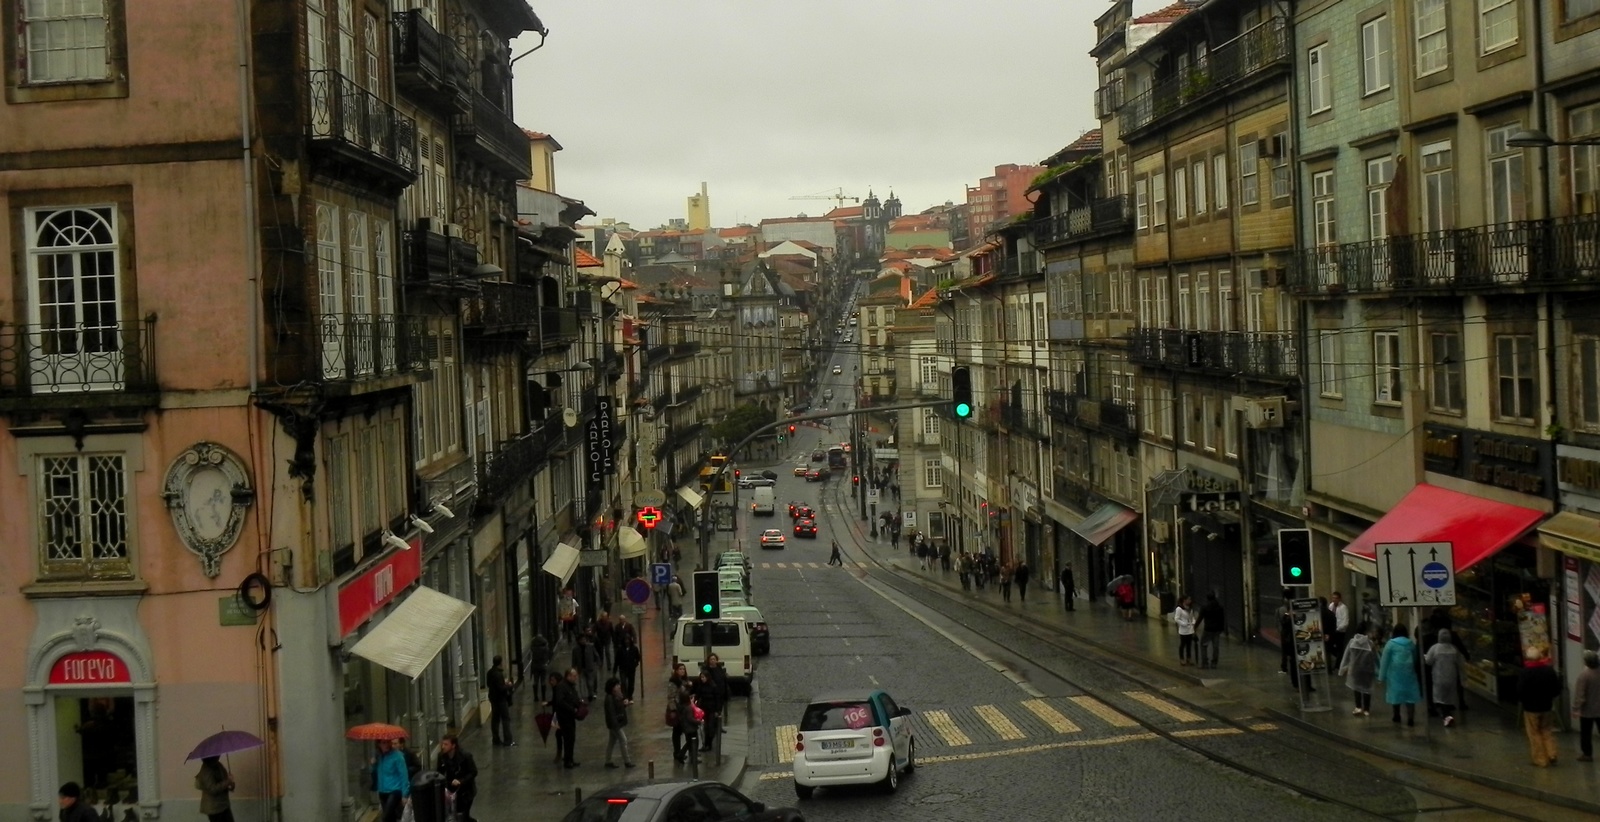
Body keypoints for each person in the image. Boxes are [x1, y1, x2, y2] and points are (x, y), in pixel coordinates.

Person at [1519, 646, 1563, 767]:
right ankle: (1552, 754)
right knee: (1547, 731)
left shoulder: (1525, 672)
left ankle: (1540, 759)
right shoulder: (1549, 671)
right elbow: (1557, 688)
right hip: (1547, 706)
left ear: (1528, 659)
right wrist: (1550, 697)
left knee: (1534, 733)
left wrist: (1524, 701)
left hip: (1531, 708)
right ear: (1539, 657)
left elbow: (1521, 691)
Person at [1376, 623, 1421, 727]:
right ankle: (1410, 718)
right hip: (1409, 673)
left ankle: (1396, 715)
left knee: (1395, 693)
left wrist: (1381, 677)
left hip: (1395, 673)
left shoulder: (1390, 644)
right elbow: (1415, 658)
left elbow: (1384, 661)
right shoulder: (1410, 644)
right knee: (1410, 696)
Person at [1424, 628, 1464, 727]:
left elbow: (1428, 661)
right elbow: (1460, 663)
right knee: (1449, 697)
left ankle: (1446, 716)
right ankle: (1448, 714)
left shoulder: (1434, 648)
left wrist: (1425, 657)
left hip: (1439, 677)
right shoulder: (1454, 649)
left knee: (1441, 698)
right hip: (1452, 677)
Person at [435, 734, 478, 822]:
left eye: (446, 744)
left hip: (465, 792)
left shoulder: (466, 756)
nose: (443, 747)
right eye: (442, 744)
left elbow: (473, 772)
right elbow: (439, 772)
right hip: (451, 790)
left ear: (453, 745)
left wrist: (461, 781)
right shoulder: (441, 756)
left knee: (462, 815)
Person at [1339, 622, 1379, 716]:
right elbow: (1375, 656)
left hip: (1355, 669)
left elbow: (1346, 656)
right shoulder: (1369, 643)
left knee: (1356, 688)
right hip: (1367, 669)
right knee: (1367, 689)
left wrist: (1342, 669)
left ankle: (1358, 707)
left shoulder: (1352, 642)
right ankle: (1366, 709)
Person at [548, 668, 583, 768]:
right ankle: (567, 761)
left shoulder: (570, 686)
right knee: (568, 738)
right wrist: (572, 709)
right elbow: (560, 701)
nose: (576, 678)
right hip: (564, 717)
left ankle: (570, 759)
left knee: (571, 738)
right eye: (574, 676)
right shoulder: (562, 687)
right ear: (568, 676)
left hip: (570, 717)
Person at [371, 739, 411, 821]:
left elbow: (404, 775)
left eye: (388, 742)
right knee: (391, 818)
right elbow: (375, 773)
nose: (386, 745)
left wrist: (405, 794)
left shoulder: (397, 756)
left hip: (394, 791)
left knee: (385, 817)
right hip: (382, 791)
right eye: (384, 742)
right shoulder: (379, 756)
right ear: (379, 744)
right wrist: (373, 764)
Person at [602, 677, 635, 769]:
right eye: (616, 685)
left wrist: (624, 704)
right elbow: (611, 713)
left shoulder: (615, 696)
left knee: (612, 742)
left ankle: (608, 761)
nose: (619, 686)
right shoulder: (610, 698)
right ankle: (627, 761)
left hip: (614, 724)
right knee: (623, 740)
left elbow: (618, 708)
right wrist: (615, 725)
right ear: (612, 687)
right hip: (615, 725)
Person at [669, 663, 699, 763]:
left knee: (688, 731)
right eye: (680, 669)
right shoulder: (673, 682)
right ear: (676, 671)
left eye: (683, 669)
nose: (682, 671)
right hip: (678, 708)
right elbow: (671, 697)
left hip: (686, 707)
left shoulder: (685, 681)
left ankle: (689, 752)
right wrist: (673, 710)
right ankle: (678, 752)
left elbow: (688, 693)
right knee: (677, 731)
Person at [1574, 650, 1600, 762]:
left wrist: (1576, 708)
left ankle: (1587, 754)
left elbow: (1580, 694)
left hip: (1587, 711)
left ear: (1586, 662)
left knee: (1586, 733)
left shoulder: (1584, 675)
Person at [195, 756, 236, 822]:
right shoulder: (206, 770)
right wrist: (228, 781)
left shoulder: (218, 765)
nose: (219, 756)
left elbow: (223, 780)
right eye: (217, 756)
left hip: (223, 805)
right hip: (214, 808)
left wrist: (230, 784)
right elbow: (213, 789)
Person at [486, 655, 515, 747]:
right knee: (505, 719)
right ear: (500, 663)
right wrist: (508, 686)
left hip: (493, 698)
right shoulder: (498, 674)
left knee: (495, 719)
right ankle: (508, 740)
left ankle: (496, 739)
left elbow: (489, 684)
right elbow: (501, 688)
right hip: (500, 699)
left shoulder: (490, 672)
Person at [1198, 593, 1225, 668]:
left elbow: (1200, 618)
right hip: (1217, 629)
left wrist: (1194, 627)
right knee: (1215, 646)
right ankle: (1214, 663)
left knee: (1203, 645)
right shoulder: (1220, 607)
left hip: (1208, 629)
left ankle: (1205, 663)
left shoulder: (1204, 607)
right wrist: (1222, 628)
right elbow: (1222, 619)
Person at [1327, 592, 1351, 671]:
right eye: (1333, 598)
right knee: (1330, 646)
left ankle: (1338, 665)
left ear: (1339, 599)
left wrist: (1338, 628)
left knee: (1340, 647)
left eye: (1336, 598)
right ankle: (1338, 657)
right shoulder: (1331, 606)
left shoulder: (1343, 608)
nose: (1334, 600)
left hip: (1340, 631)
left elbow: (1345, 621)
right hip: (1332, 630)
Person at [572, 632, 600, 700]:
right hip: (581, 669)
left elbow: (596, 655)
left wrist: (597, 663)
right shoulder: (575, 649)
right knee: (582, 683)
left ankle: (591, 694)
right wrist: (573, 668)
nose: (583, 641)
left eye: (584, 639)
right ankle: (583, 696)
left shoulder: (590, 646)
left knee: (590, 683)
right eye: (581, 640)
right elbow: (574, 659)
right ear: (578, 641)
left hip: (590, 668)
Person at [614, 634, 641, 701]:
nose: (627, 641)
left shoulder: (634, 649)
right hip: (623, 669)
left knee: (631, 684)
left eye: (628, 640)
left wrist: (635, 664)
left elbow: (638, 658)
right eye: (625, 640)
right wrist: (615, 669)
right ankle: (625, 696)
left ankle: (630, 695)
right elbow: (617, 660)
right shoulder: (620, 649)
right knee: (623, 682)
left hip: (631, 669)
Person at [1173, 596, 1197, 666]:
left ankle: (1188, 658)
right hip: (1183, 630)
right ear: (1184, 600)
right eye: (1188, 599)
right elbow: (1176, 618)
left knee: (1189, 644)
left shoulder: (1190, 608)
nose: (1190, 601)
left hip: (1190, 629)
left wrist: (1193, 622)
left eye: (1190, 599)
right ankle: (1181, 658)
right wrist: (1183, 623)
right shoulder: (1179, 609)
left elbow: (1192, 617)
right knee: (1183, 644)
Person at [528, 635, 551, 703]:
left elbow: (529, 657)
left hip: (535, 666)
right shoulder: (545, 648)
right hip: (543, 666)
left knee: (535, 681)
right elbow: (548, 653)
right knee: (543, 681)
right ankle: (543, 697)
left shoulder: (533, 648)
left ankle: (535, 697)